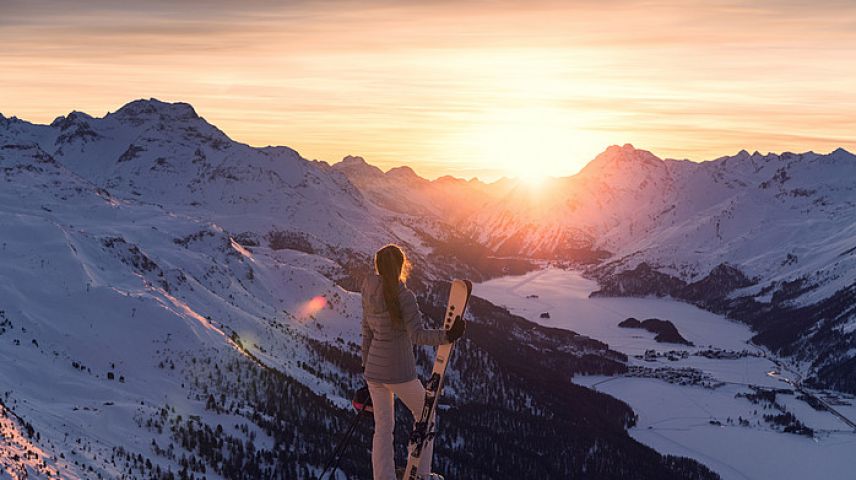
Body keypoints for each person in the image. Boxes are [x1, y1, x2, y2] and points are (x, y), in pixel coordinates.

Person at [361, 244, 466, 480]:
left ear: (377, 266)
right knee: (425, 415)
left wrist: (365, 366)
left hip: (374, 373)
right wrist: (448, 335)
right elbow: (417, 335)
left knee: (383, 429)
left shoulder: (367, 290)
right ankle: (421, 473)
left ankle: (384, 477)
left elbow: (366, 332)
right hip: (399, 372)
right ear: (400, 267)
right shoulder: (404, 296)